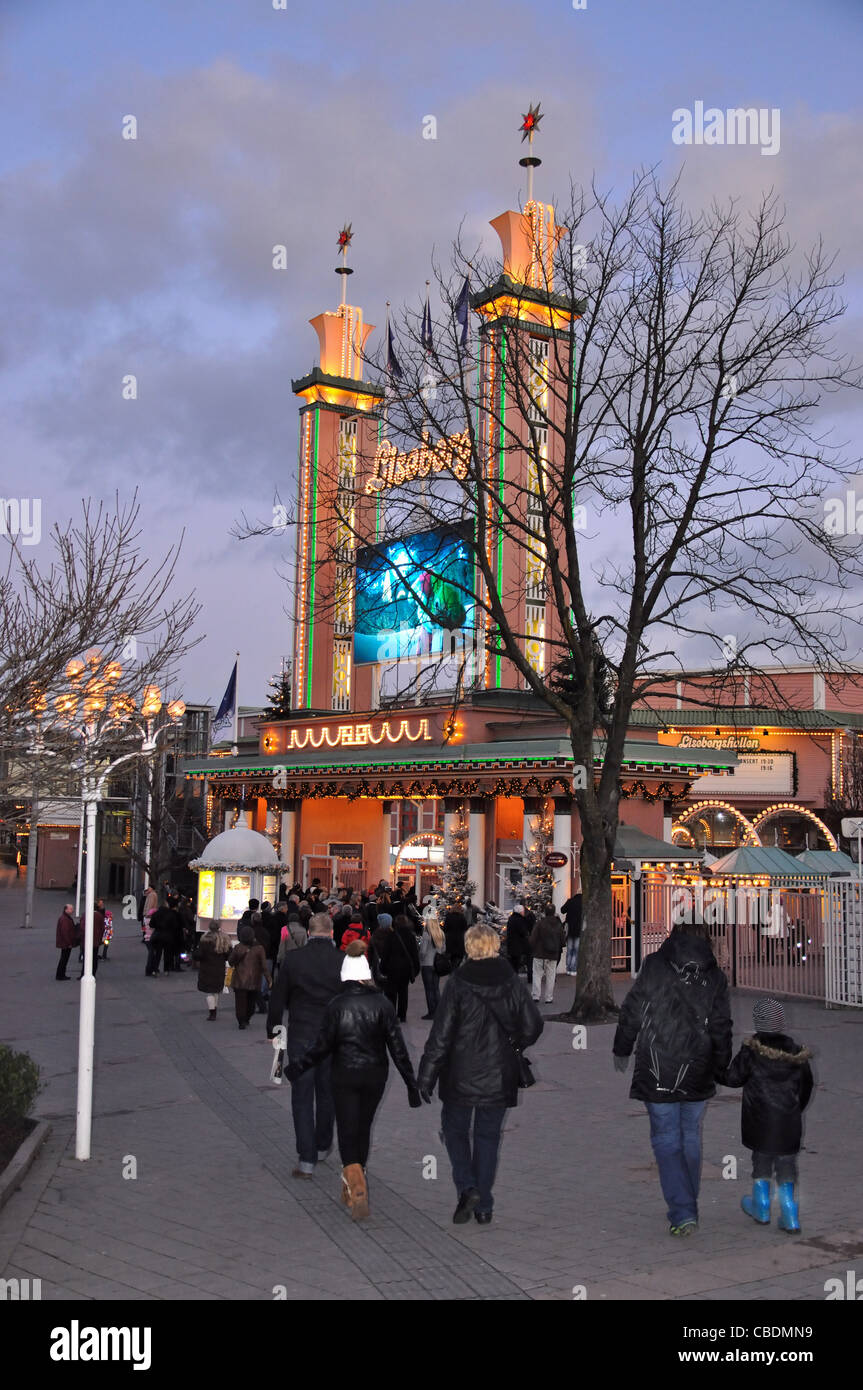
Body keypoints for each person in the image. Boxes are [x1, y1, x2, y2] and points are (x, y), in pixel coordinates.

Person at [612, 921, 732, 1237]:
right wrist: (721, 1064)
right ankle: (686, 1202)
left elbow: (633, 1009)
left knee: (666, 1137)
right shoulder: (715, 976)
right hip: (697, 1062)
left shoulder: (654, 965)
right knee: (690, 1134)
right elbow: (721, 1025)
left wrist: (622, 1047)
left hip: (657, 1060)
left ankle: (682, 1209)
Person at [418, 923, 543, 1225]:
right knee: (487, 1137)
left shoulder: (458, 982)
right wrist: (514, 1042)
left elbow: (441, 1034)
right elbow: (533, 1025)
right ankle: (483, 1205)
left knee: (454, 1131)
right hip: (498, 1073)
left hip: (459, 1072)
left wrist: (426, 1075)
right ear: (495, 946)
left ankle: (467, 1186)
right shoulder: (511, 982)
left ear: (470, 947)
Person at [286, 941, 421, 1220]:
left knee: (347, 1129)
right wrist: (412, 1083)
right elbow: (398, 1048)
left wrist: (298, 1067)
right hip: (375, 1075)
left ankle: (356, 1183)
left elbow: (321, 1047)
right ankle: (356, 1176)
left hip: (344, 1074)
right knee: (363, 1127)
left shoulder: (336, 1005)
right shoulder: (382, 1004)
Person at [722, 997, 813, 1232]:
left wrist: (714, 1069)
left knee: (761, 1160)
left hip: (759, 1121)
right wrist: (795, 1109)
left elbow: (733, 1078)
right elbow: (806, 1086)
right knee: (786, 1165)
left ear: (758, 1024)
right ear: (782, 1023)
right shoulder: (796, 1053)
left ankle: (761, 1205)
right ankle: (790, 1212)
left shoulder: (751, 1051)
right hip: (788, 1122)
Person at [267, 911, 343, 1178]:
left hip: (302, 1035)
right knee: (327, 1092)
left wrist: (273, 1029)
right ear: (332, 933)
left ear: (309, 933)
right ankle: (323, 1144)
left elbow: (278, 997)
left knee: (301, 1096)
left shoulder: (294, 960)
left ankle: (306, 1158)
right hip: (333, 1037)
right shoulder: (343, 960)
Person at [373, 912, 419, 1022]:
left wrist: (383, 968)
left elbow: (386, 954)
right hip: (406, 969)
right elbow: (414, 953)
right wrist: (416, 969)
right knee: (403, 992)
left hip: (392, 968)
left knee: (391, 993)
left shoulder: (391, 936)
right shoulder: (411, 936)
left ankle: (392, 1014)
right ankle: (402, 1015)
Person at [228, 923, 270, 1029]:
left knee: (240, 1002)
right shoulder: (259, 948)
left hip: (239, 980)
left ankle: (241, 1021)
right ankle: (246, 1018)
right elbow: (264, 966)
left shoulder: (238, 947)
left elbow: (231, 961)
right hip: (254, 980)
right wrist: (269, 978)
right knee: (251, 1003)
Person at [529, 903, 566, 1004]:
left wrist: (532, 948)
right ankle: (549, 997)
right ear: (554, 912)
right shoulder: (558, 925)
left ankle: (536, 995)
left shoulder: (540, 924)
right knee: (551, 976)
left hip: (539, 954)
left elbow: (532, 939)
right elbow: (563, 941)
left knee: (537, 975)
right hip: (552, 955)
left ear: (545, 912)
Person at [193, 922, 232, 1020]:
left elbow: (199, 955)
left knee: (209, 992)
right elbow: (229, 954)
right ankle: (214, 1008)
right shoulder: (224, 939)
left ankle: (212, 1012)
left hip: (206, 968)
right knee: (216, 990)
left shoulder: (204, 939)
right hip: (219, 968)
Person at [418, 910, 446, 1019]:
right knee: (436, 988)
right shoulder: (441, 933)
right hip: (437, 963)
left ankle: (431, 1012)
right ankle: (439, 1011)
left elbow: (423, 951)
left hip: (427, 964)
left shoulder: (426, 934)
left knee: (429, 989)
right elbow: (444, 949)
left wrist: (420, 958)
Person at [505, 903, 532, 979]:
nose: (524, 913)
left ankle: (513, 977)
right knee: (516, 963)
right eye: (523, 911)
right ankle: (514, 979)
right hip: (518, 946)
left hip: (511, 944)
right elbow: (523, 932)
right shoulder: (519, 920)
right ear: (520, 912)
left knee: (513, 963)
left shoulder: (511, 918)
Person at [55, 903, 79, 980]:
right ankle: (60, 975)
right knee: (64, 959)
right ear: (66, 909)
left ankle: (61, 974)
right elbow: (65, 932)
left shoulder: (65, 918)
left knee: (64, 958)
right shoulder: (65, 919)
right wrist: (69, 943)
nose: (72, 910)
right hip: (66, 943)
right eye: (71, 909)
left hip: (64, 942)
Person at [561, 890, 583, 974]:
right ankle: (573, 969)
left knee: (569, 949)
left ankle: (568, 968)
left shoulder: (570, 901)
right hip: (579, 929)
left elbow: (562, 910)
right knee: (576, 950)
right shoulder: (584, 903)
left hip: (570, 929)